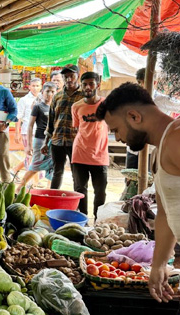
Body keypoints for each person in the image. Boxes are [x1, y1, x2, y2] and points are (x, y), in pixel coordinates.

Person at [96, 82, 180, 314]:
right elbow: (166, 213)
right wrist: (158, 265)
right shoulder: (162, 149)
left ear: (134, 116)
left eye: (116, 129)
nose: (118, 138)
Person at [126, 68, 180, 169]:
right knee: (130, 182)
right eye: (139, 82)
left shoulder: (162, 100)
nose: (141, 86)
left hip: (152, 150)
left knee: (150, 182)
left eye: (144, 82)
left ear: (154, 82)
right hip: (133, 150)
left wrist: (172, 124)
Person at [71, 72, 108, 218]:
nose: (87, 87)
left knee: (100, 191)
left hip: (100, 155)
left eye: (91, 83)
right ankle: (83, 219)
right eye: (84, 84)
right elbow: (77, 128)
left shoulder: (107, 105)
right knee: (80, 190)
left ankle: (98, 220)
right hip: (80, 153)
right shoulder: (76, 106)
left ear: (98, 85)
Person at [42, 64, 83, 189]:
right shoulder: (57, 96)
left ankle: (78, 204)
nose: (68, 79)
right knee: (57, 172)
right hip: (57, 141)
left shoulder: (83, 97)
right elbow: (51, 121)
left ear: (78, 76)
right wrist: (46, 142)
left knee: (77, 174)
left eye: (72, 76)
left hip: (76, 142)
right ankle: (53, 202)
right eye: (66, 77)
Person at [18, 82, 57, 189]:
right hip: (39, 140)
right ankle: (19, 188)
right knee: (35, 166)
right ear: (42, 92)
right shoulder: (38, 107)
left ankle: (51, 190)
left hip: (53, 141)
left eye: (52, 91)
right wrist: (29, 145)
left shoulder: (56, 107)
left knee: (53, 167)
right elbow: (30, 126)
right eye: (47, 91)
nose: (49, 94)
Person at [14, 78, 42, 176]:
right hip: (27, 131)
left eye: (37, 86)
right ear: (29, 87)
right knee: (29, 155)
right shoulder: (24, 100)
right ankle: (30, 179)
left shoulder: (43, 99)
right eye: (33, 86)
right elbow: (18, 118)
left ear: (41, 87)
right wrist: (17, 133)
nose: (35, 88)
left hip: (40, 131)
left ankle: (15, 170)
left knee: (37, 155)